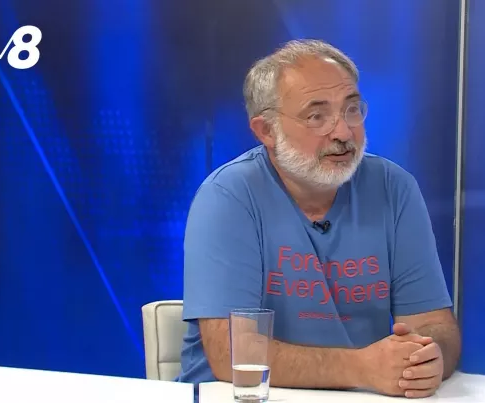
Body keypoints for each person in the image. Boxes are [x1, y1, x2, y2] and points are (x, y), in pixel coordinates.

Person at [178, 39, 461, 398]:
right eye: (317, 117)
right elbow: (233, 354)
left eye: (352, 110)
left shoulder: (394, 188)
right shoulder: (228, 196)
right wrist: (363, 367)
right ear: (266, 131)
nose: (343, 132)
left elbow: (435, 325)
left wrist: (428, 357)